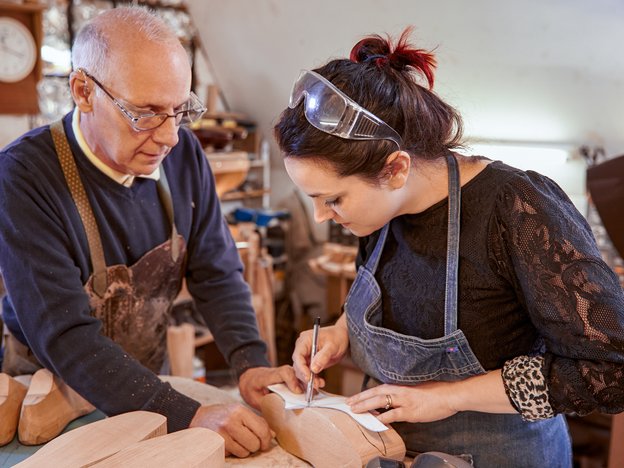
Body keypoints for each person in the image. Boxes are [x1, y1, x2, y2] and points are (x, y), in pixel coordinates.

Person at [275, 29, 624, 467]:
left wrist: (450, 396)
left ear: (396, 168)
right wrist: (341, 333)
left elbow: (611, 370)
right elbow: (400, 293)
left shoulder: (516, 208)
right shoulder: (380, 211)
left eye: (333, 199)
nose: (323, 217)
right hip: (388, 448)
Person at [0, 6, 298, 457]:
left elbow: (216, 273)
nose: (170, 137)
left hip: (140, 386)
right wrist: (187, 415)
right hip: (46, 381)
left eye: (180, 111)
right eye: (146, 113)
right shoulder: (22, 176)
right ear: (82, 90)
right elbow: (63, 333)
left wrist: (249, 362)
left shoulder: (182, 156)